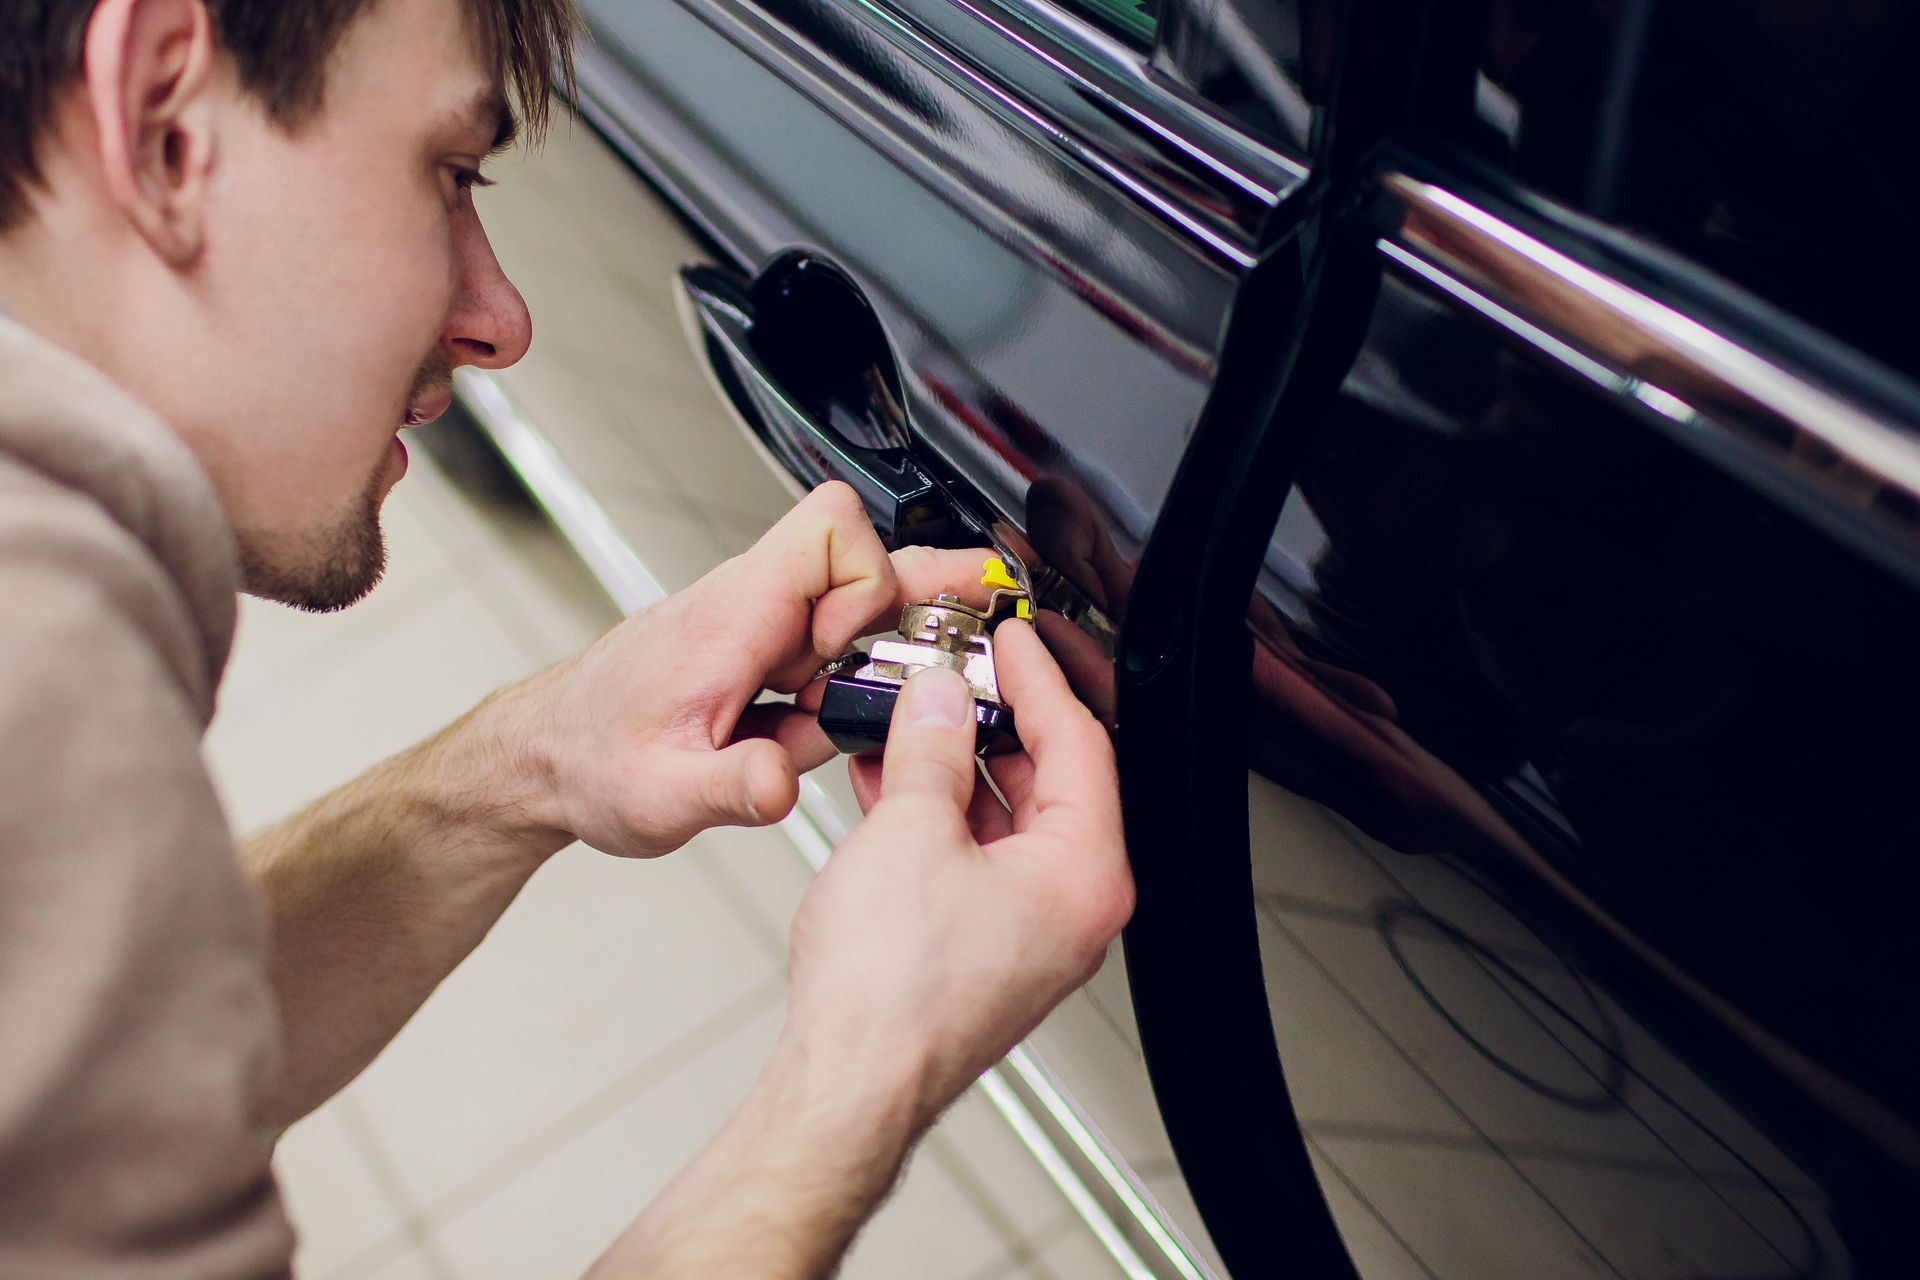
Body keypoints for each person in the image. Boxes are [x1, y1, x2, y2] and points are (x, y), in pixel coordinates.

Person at [0, 0, 1134, 1275]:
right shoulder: (42, 684)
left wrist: (534, 757)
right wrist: (866, 1068)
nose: (502, 321)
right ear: (164, 119)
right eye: (446, 173)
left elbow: (128, 1051)